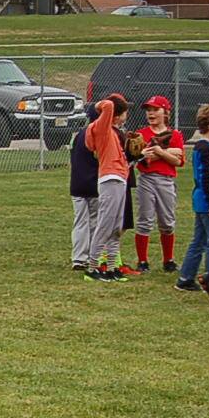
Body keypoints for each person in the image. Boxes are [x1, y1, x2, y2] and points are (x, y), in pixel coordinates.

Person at [131, 94, 184, 273]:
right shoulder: (141, 134)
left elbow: (178, 161)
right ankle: (142, 261)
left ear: (165, 112)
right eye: (149, 110)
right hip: (146, 179)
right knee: (145, 220)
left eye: (155, 110)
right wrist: (167, 153)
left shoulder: (175, 134)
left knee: (167, 222)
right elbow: (140, 159)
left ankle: (168, 259)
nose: (151, 114)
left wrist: (160, 152)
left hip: (166, 181)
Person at [180, 103, 209, 299]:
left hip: (201, 201)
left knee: (198, 241)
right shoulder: (206, 149)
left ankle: (185, 278)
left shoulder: (202, 147)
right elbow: (206, 178)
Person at [84, 94, 131, 281]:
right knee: (105, 224)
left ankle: (112, 268)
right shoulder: (101, 128)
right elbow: (109, 105)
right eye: (125, 112)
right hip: (109, 179)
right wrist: (98, 106)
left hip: (119, 179)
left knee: (116, 227)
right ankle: (92, 267)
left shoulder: (113, 131)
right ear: (118, 114)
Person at [69, 102, 100, 272]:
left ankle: (79, 258)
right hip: (92, 185)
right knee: (93, 221)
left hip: (77, 184)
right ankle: (89, 256)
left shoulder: (79, 135)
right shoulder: (97, 134)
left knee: (80, 221)